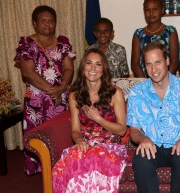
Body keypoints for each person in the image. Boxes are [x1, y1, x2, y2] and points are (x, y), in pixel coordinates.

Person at [126, 42, 180, 193]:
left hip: (179, 143)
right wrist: (143, 139)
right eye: (149, 64)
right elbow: (134, 130)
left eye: (158, 62)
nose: (154, 70)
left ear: (167, 61)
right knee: (141, 159)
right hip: (152, 145)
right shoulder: (136, 93)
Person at [52, 48, 128, 193]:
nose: (93, 68)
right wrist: (79, 141)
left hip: (110, 147)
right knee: (68, 164)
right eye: (89, 63)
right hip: (85, 146)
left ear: (103, 69)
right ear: (83, 67)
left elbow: (122, 129)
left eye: (98, 64)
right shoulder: (75, 95)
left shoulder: (115, 93)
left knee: (93, 162)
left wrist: (98, 118)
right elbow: (75, 130)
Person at [14, 5, 75, 175]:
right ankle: (40, 168)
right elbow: (27, 72)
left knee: (62, 132)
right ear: (34, 23)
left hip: (61, 97)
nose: (47, 24)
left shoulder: (63, 42)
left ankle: (60, 166)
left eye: (51, 21)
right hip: (37, 99)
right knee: (37, 133)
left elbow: (69, 68)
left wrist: (62, 87)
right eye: (43, 21)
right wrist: (52, 91)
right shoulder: (27, 44)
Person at [131, 0, 179, 78]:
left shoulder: (170, 31)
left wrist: (165, 81)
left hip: (166, 81)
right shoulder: (138, 34)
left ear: (162, 10)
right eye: (147, 9)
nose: (151, 13)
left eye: (155, 9)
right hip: (144, 82)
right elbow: (135, 64)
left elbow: (174, 62)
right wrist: (146, 84)